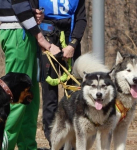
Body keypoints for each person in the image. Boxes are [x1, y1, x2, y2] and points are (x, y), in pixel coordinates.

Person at [0, 0, 61, 150]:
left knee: (29, 97)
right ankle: (2, 147)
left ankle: (28, 147)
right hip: (18, 34)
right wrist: (42, 39)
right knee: (16, 97)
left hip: (25, 31)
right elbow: (18, 3)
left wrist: (32, 12)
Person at [37, 0, 87, 149]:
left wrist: (73, 44)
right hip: (47, 40)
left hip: (70, 40)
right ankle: (54, 141)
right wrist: (45, 44)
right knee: (49, 95)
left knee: (75, 96)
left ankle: (72, 142)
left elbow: (81, 18)